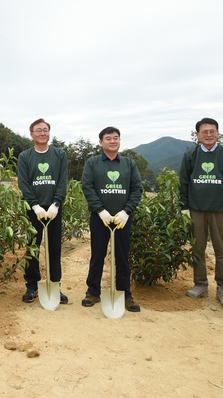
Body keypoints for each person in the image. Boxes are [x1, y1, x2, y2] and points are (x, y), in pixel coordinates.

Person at [179, 117, 223, 309]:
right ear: (197, 135)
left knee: (221, 250)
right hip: (196, 210)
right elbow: (183, 182)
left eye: (212, 131)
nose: (208, 134)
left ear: (217, 133)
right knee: (197, 248)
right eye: (204, 131)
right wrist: (184, 206)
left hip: (221, 210)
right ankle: (200, 284)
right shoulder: (191, 155)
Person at [81, 126, 143, 312]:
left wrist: (127, 211)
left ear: (120, 141)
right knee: (97, 255)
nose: (112, 141)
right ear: (101, 142)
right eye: (108, 138)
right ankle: (93, 292)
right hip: (100, 219)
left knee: (122, 257)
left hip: (123, 219)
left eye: (116, 138)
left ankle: (125, 294)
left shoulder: (128, 164)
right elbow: (88, 187)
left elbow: (137, 188)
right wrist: (100, 211)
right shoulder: (92, 163)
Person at [17, 118, 69, 304]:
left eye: (45, 130)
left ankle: (55, 285)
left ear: (49, 133)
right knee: (32, 248)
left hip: (54, 209)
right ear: (31, 134)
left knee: (54, 248)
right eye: (38, 130)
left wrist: (56, 204)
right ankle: (32, 286)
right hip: (34, 210)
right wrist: (35, 205)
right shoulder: (25, 157)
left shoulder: (59, 154)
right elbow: (23, 182)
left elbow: (62, 180)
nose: (42, 133)